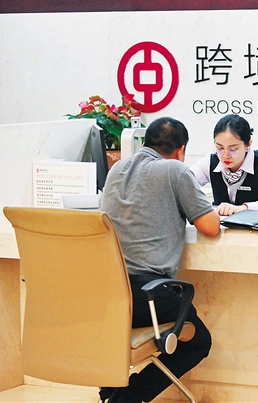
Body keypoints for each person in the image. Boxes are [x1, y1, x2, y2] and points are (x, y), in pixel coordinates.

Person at [99, 117, 220, 403]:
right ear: (181, 150)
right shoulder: (175, 169)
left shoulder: (117, 169)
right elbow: (210, 226)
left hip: (108, 295)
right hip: (148, 297)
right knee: (198, 341)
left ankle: (116, 393)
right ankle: (126, 398)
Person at [191, 114, 258, 216]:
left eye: (233, 150)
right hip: (220, 225)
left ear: (248, 145)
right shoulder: (211, 161)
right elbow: (184, 184)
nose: (225, 155)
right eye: (220, 148)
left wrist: (243, 208)